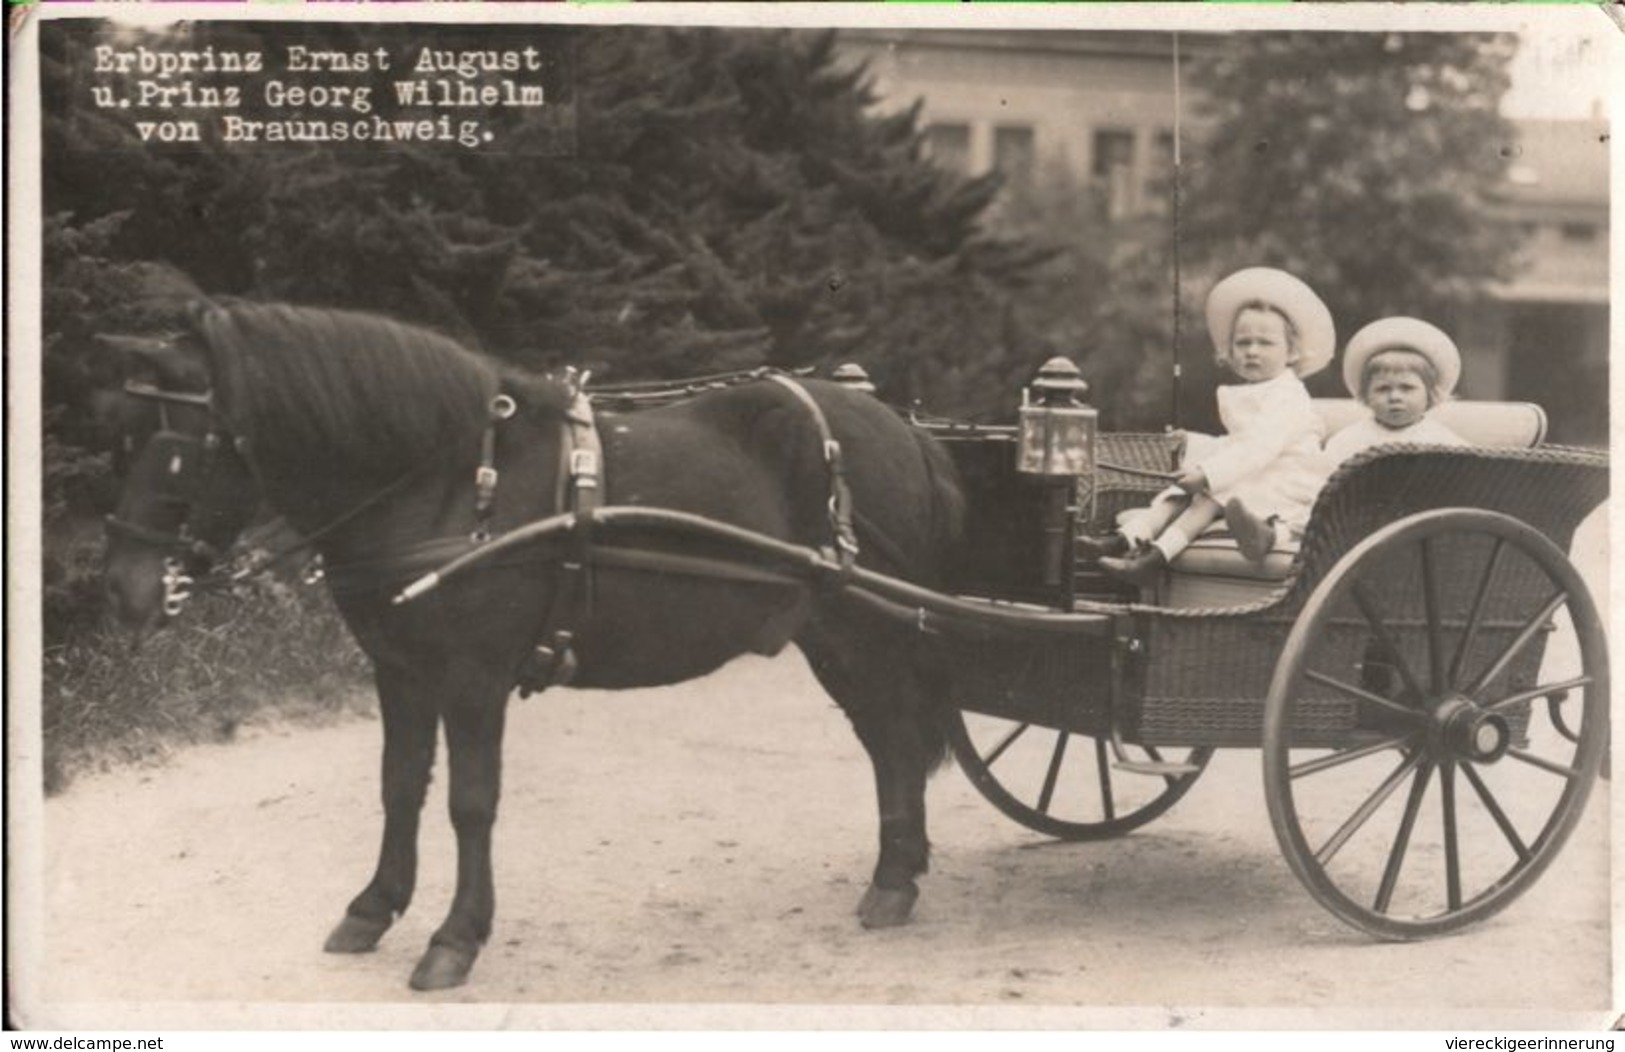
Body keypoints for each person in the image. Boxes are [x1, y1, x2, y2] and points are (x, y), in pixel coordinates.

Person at [1083, 267, 1335, 586]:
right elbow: (1236, 445)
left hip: (1286, 482)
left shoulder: (1289, 396)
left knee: (1210, 494)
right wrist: (1193, 442)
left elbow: (1258, 448)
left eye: (1265, 343)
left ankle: (1156, 557)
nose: (1252, 351)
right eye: (1243, 343)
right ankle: (1125, 540)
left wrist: (1207, 474)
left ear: (1293, 352)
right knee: (1178, 493)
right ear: (1230, 351)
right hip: (1256, 473)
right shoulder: (1253, 393)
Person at [1224, 315, 1467, 562]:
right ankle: (1269, 535)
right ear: (1366, 397)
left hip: (1418, 521)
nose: (1394, 397)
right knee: (1317, 507)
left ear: (1431, 394)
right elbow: (1320, 484)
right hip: (1359, 519)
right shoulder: (1349, 439)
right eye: (1383, 389)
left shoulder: (1443, 441)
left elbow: (1467, 481)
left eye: (1406, 388)